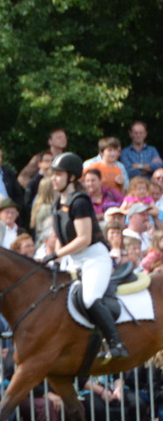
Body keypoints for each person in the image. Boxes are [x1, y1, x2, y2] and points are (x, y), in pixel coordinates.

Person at [47, 154, 123, 361]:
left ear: (71, 177)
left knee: (89, 298)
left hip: (93, 258)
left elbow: (83, 238)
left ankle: (115, 342)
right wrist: (52, 257)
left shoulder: (79, 201)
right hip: (72, 259)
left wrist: (55, 255)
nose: (54, 179)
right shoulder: (57, 203)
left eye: (59, 175)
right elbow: (59, 237)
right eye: (53, 175)